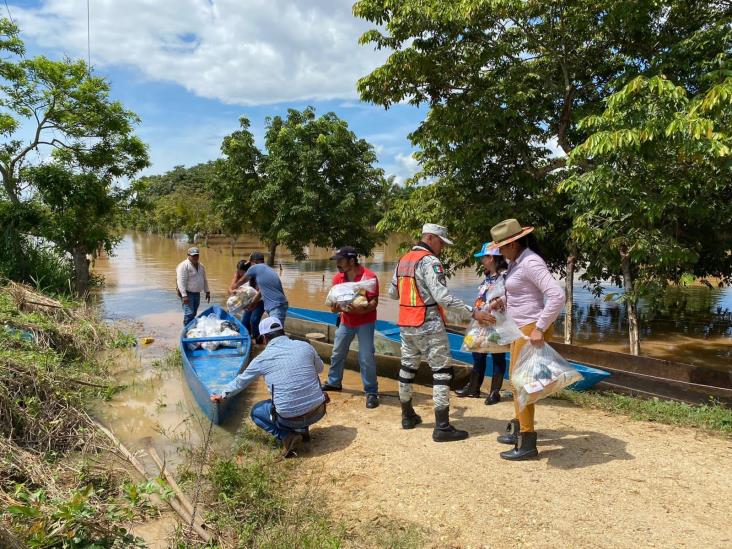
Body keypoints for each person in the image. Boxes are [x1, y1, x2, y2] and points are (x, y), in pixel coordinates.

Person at [476, 218, 565, 461]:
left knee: (521, 384)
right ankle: (519, 427)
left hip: (529, 328)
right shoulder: (518, 261)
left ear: (514, 243)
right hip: (521, 327)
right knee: (518, 382)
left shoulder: (531, 262)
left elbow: (556, 295)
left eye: (502, 246)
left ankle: (527, 441)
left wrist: (539, 328)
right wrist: (504, 302)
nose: (499, 251)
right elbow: (523, 292)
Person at [389, 223, 481, 442]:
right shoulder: (430, 262)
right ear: (430, 238)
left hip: (405, 323)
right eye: (441, 242)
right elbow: (443, 298)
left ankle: (407, 415)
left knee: (407, 368)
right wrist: (472, 312)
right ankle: (442, 426)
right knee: (442, 372)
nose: (442, 248)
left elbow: (392, 293)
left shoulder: (403, 260)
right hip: (428, 322)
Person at [210, 317, 327, 458]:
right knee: (300, 387)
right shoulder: (305, 346)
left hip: (290, 418)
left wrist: (222, 395)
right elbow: (320, 369)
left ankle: (287, 436)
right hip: (318, 411)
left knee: (256, 412)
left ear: (265, 338)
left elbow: (241, 382)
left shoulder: (262, 359)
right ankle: (303, 431)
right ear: (283, 331)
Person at [322, 246, 380, 409]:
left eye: (340, 260)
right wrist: (335, 309)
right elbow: (335, 303)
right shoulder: (337, 279)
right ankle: (334, 382)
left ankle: (371, 392)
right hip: (346, 320)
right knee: (337, 353)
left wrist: (364, 309)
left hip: (365, 322)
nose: (338, 264)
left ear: (352, 261)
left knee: (366, 357)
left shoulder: (369, 277)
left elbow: (374, 301)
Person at [455, 242, 509, 405]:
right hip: (481, 321)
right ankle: (474, 387)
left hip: (497, 322)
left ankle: (494, 392)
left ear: (491, 258)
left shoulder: (506, 276)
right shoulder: (488, 276)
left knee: (498, 355)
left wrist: (496, 303)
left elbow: (512, 295)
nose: (481, 261)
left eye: (483, 257)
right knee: (478, 352)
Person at [241, 251, 289, 324]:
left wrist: (253, 303)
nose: (251, 266)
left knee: (275, 329)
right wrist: (252, 302)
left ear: (255, 262)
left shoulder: (261, 273)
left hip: (276, 305)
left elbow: (260, 292)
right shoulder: (265, 271)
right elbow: (261, 292)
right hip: (273, 305)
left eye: (251, 263)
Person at [230, 259, 265, 340]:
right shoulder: (238, 275)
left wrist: (252, 304)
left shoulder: (255, 276)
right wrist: (233, 291)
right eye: (239, 271)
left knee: (254, 321)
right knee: (244, 323)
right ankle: (249, 339)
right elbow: (231, 288)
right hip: (249, 302)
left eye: (243, 272)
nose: (241, 274)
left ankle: (258, 338)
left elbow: (259, 293)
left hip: (260, 301)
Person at [176, 247, 210, 326]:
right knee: (189, 313)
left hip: (197, 293)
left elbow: (204, 279)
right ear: (188, 255)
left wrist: (207, 291)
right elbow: (180, 281)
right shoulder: (183, 266)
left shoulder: (201, 266)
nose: (195, 257)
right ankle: (187, 329)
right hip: (188, 294)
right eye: (193, 255)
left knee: (194, 312)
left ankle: (190, 327)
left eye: (197, 255)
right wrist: (184, 295)